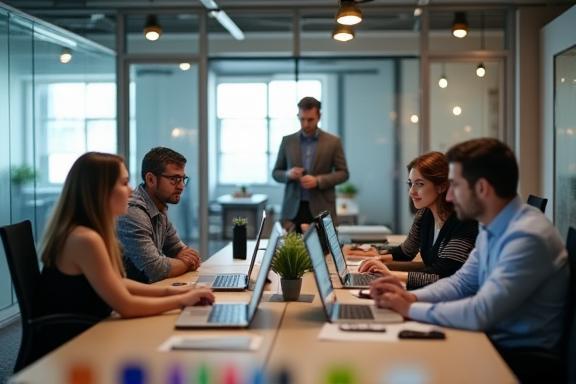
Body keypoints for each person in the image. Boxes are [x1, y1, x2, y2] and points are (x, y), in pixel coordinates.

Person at [369, 138, 568, 382]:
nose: (449, 196)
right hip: (489, 340)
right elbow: (461, 283)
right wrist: (411, 296)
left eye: (455, 185)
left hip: (519, 359)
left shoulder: (527, 237)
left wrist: (410, 308)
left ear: (482, 188)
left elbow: (480, 312)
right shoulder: (493, 224)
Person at [37, 152, 214, 322]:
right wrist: (182, 300)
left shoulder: (88, 232)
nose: (130, 191)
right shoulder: (85, 239)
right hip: (74, 341)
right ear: (101, 190)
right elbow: (126, 306)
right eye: (123, 183)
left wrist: (175, 292)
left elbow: (118, 282)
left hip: (93, 328)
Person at [355, 152, 478, 289]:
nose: (411, 192)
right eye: (410, 184)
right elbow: (406, 252)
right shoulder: (425, 214)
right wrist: (378, 259)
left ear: (442, 186)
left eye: (419, 184)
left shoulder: (464, 223)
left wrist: (389, 275)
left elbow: (441, 276)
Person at [117, 147, 201, 283]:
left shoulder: (159, 207)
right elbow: (155, 269)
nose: (181, 186)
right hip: (132, 298)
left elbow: (179, 249)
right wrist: (186, 263)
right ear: (150, 179)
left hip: (148, 292)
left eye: (182, 179)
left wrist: (179, 260)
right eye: (174, 179)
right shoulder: (133, 212)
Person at [272, 96, 349, 232]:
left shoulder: (333, 142)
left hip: (322, 209)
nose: (306, 124)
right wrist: (288, 174)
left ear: (319, 117)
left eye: (310, 120)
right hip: (292, 212)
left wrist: (318, 180)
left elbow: (343, 173)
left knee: (324, 252)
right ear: (298, 116)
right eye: (302, 119)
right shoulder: (287, 141)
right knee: (291, 253)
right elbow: (276, 173)